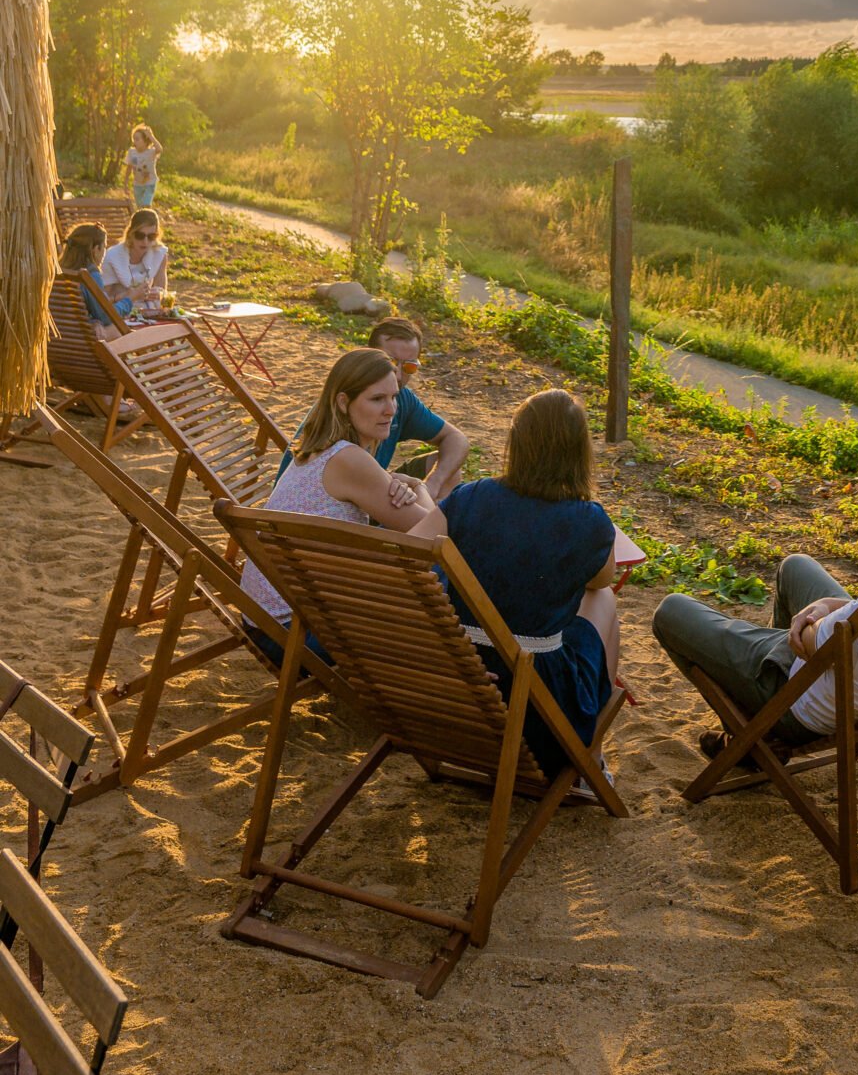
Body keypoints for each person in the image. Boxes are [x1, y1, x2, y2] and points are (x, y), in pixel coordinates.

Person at [652, 466, 858, 762]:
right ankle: (755, 718)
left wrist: (815, 615)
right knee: (796, 567)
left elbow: (804, 641)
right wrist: (827, 605)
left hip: (804, 711)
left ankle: (753, 733)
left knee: (672, 611)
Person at [438, 389, 618, 780]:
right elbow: (602, 580)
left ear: (516, 442)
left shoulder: (469, 498)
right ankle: (594, 757)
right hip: (539, 721)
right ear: (578, 452)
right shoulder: (588, 521)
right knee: (603, 600)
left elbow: (411, 552)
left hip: (455, 701)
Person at [240, 348, 445, 667]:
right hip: (293, 635)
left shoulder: (318, 447)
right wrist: (420, 488)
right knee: (438, 576)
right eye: (377, 399)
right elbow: (434, 540)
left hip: (265, 619)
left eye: (394, 398)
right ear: (342, 402)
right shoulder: (350, 460)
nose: (391, 409)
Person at [275, 316, 468, 499]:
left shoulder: (400, 398)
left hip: (366, 486)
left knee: (443, 469)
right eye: (391, 362)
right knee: (430, 521)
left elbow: (456, 439)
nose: (399, 375)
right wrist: (421, 500)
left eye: (409, 367)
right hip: (336, 505)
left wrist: (431, 485)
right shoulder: (348, 405)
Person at [59, 222, 133, 338]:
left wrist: (93, 321)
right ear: (96, 249)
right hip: (81, 341)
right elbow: (106, 316)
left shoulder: (58, 272)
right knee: (120, 329)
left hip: (56, 339)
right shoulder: (88, 275)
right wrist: (129, 300)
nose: (105, 251)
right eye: (104, 246)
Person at [101, 209, 167, 316]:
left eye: (151, 237)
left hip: (148, 312)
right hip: (118, 312)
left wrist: (158, 295)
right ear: (131, 234)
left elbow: (163, 294)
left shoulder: (159, 254)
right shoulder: (113, 257)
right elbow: (102, 301)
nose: (145, 242)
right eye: (140, 236)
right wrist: (129, 295)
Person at [124, 124, 162, 208]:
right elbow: (129, 167)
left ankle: (147, 218)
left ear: (145, 141)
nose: (134, 142)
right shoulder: (132, 152)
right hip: (137, 184)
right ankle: (143, 219)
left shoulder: (151, 152)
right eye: (133, 139)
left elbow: (159, 149)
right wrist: (125, 183)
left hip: (150, 182)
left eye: (137, 139)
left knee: (146, 204)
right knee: (140, 206)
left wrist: (151, 136)